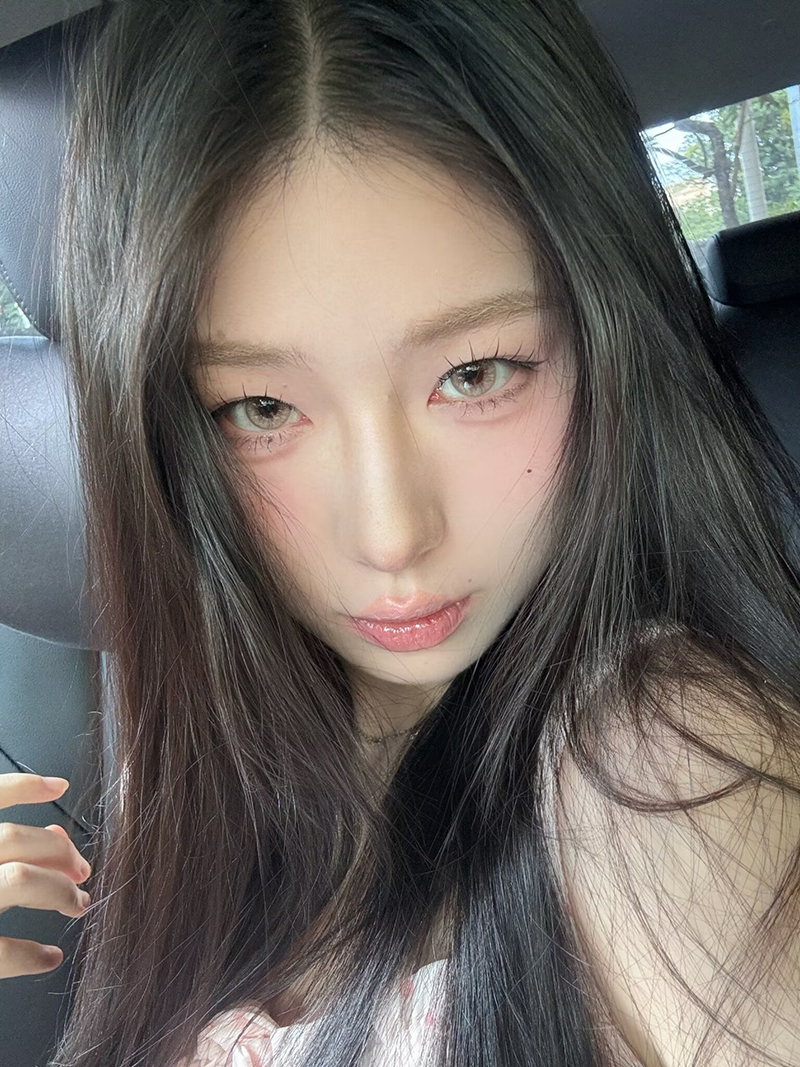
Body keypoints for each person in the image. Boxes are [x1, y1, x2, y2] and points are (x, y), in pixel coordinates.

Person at [4, 0, 799, 1064]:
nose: (390, 535)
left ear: (608, 343)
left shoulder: (668, 758)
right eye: (259, 408)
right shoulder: (207, 777)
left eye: (475, 373)